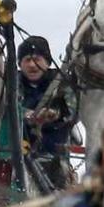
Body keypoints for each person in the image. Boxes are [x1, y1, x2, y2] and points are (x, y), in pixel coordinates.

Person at [17, 35, 79, 190]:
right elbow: (2, 108)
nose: (32, 65)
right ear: (19, 64)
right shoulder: (11, 84)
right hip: (17, 157)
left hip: (55, 159)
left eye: (37, 59)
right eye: (27, 60)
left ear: (48, 62)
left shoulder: (61, 84)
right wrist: (24, 114)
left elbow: (73, 111)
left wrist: (54, 114)